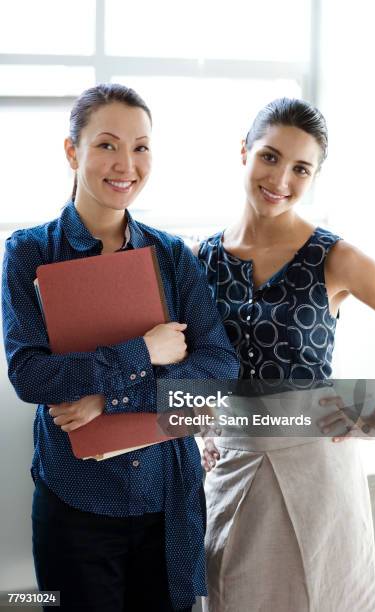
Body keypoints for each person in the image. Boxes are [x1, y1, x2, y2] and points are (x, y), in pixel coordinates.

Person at [1, 83, 239, 612]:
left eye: (141, 146)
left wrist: (109, 399)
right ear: (72, 151)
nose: (126, 163)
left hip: (168, 500)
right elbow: (32, 377)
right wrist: (145, 351)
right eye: (107, 144)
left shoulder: (173, 255)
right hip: (75, 502)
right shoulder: (29, 253)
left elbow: (219, 367)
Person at [195, 98, 375, 612]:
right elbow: (193, 357)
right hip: (234, 460)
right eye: (269, 157)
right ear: (243, 152)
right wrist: (201, 427)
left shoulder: (336, 257)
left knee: (325, 596)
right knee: (232, 594)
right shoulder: (202, 256)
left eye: (301, 168)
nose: (281, 178)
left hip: (317, 466)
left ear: (314, 176)